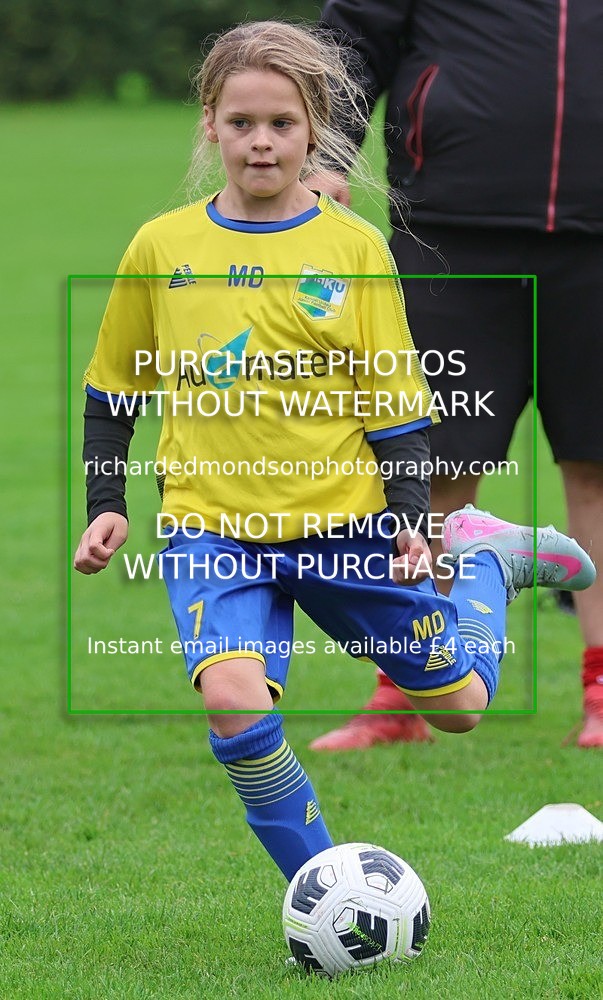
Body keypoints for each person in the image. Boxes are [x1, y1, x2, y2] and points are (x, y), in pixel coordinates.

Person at [73, 21, 596, 883]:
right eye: (241, 122)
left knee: (462, 706)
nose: (261, 142)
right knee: (232, 703)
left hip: (346, 527)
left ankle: (485, 571)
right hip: (214, 532)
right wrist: (106, 505)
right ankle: (325, 897)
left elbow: (393, 408)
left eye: (281, 123)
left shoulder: (352, 249)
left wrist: (407, 523)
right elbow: (112, 392)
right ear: (210, 123)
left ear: (314, 128)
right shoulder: (162, 248)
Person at [309, 0, 603, 751]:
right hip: (446, 240)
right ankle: (408, 690)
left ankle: (602, 694)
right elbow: (348, 41)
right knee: (428, 471)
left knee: (598, 472)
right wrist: (326, 158)